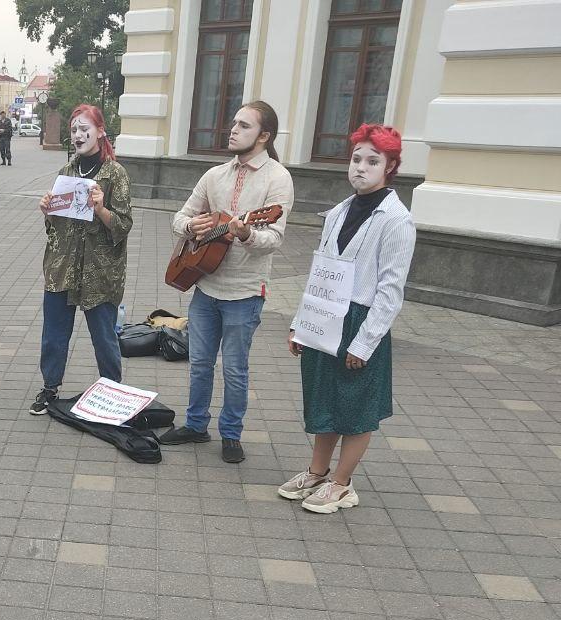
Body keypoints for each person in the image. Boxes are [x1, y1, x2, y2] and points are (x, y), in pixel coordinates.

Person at [279, 124, 415, 513]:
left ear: (390, 167)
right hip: (327, 313)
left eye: (373, 161)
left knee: (355, 407)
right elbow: (320, 271)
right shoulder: (339, 211)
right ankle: (317, 471)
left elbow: (390, 290)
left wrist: (365, 342)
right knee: (324, 398)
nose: (361, 168)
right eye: (356, 159)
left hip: (360, 318)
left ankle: (342, 483)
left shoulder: (396, 221)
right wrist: (301, 323)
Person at [160, 101, 294, 464]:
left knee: (235, 368)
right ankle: (195, 425)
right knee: (200, 362)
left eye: (243, 125)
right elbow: (181, 217)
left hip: (244, 293)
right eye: (233, 123)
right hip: (205, 287)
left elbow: (274, 238)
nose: (232, 130)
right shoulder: (214, 175)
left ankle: (231, 433)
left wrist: (248, 234)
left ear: (264, 136)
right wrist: (191, 227)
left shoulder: (278, 179)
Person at [31, 104, 132, 415]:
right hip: (62, 268)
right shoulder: (66, 173)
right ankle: (50, 388)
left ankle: (112, 392)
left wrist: (101, 209)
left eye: (84, 129)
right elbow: (56, 229)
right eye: (74, 130)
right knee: (54, 334)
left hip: (99, 272)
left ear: (100, 132)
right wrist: (48, 211)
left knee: (103, 336)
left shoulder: (115, 173)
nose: (77, 135)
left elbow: (124, 224)